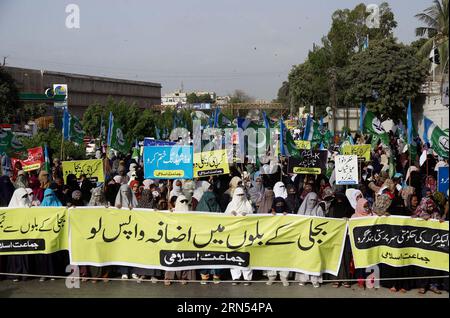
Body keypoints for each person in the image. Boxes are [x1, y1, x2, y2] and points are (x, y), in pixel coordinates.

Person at [164, 194, 196, 285]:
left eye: (186, 201)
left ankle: (184, 277)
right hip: (174, 239)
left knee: (185, 257)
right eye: (182, 201)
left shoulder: (191, 213)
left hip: (186, 239)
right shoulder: (172, 212)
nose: (184, 203)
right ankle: (168, 277)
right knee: (171, 257)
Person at [225, 187, 253, 285]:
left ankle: (247, 278)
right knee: (234, 255)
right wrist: (230, 214)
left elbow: (253, 217)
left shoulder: (247, 204)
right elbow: (224, 219)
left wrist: (248, 214)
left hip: (245, 234)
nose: (240, 197)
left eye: (242, 195)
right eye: (238, 195)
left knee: (246, 255)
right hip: (233, 235)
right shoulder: (230, 205)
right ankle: (236, 277)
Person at [195, 185, 222, 284]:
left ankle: (216, 275)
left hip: (216, 236)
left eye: (213, 199)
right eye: (210, 200)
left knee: (216, 255)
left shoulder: (217, 208)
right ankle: (204, 275)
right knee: (204, 256)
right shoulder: (199, 210)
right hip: (203, 237)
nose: (212, 202)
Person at [296, 192, 323, 287]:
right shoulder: (302, 210)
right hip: (303, 239)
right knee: (304, 259)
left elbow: (323, 223)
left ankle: (314, 279)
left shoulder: (319, 209)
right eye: (311, 200)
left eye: (315, 200)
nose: (313, 202)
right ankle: (303, 279)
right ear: (307, 199)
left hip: (314, 238)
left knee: (314, 259)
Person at [6, 188, 33, 281]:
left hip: (26, 236)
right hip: (14, 237)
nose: (26, 198)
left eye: (26, 196)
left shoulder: (30, 207)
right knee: (15, 255)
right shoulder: (10, 209)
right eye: (23, 196)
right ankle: (15, 274)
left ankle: (25, 273)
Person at [266, 197, 290, 286]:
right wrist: (271, 216)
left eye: (281, 205)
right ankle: (271, 277)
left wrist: (287, 215)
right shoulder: (270, 214)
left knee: (284, 258)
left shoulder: (288, 214)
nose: (279, 207)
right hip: (272, 240)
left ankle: (284, 277)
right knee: (272, 257)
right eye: (278, 205)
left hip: (284, 240)